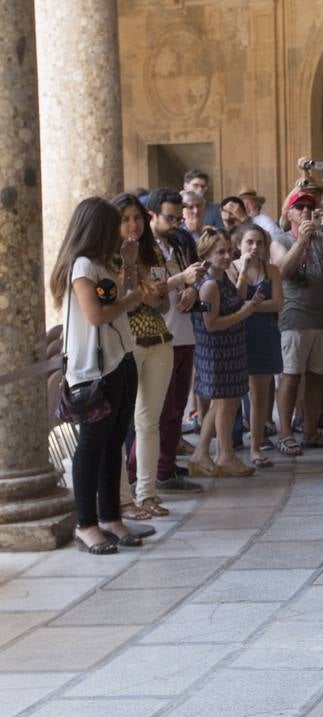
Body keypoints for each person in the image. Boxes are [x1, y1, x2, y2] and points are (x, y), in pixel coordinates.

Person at [50, 197, 150, 553]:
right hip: (93, 369)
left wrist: (131, 267)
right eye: (114, 227)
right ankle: (86, 523)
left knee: (113, 442)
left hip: (118, 359)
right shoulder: (81, 266)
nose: (119, 233)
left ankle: (110, 516)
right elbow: (96, 314)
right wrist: (129, 300)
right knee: (91, 446)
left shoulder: (101, 264)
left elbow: (117, 300)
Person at [273, 189, 323, 456]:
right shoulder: (280, 239)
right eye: (299, 207)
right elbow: (283, 270)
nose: (305, 211)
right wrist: (301, 241)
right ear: (289, 213)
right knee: (291, 376)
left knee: (318, 376)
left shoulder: (321, 236)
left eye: (309, 207)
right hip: (295, 317)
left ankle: (311, 431)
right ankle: (284, 433)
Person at [112, 192, 173, 519]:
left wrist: (148, 293)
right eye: (124, 219)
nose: (132, 225)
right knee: (123, 424)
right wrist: (133, 269)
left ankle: (147, 493)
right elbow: (127, 300)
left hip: (160, 340)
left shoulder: (154, 252)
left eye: (136, 218)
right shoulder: (108, 257)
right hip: (126, 344)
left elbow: (162, 303)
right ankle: (123, 500)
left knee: (149, 422)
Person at [145, 187, 205, 494]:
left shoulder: (177, 244)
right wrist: (182, 281)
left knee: (176, 409)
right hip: (159, 336)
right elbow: (154, 290)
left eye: (177, 218)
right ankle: (153, 472)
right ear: (151, 215)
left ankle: (166, 467)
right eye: (170, 217)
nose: (176, 224)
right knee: (158, 411)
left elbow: (188, 281)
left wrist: (192, 291)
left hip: (183, 333)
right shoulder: (144, 249)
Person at [188, 228, 259, 477]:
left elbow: (234, 300)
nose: (228, 256)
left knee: (223, 403)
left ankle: (201, 453)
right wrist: (245, 313)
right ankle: (225, 455)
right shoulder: (208, 285)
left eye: (230, 250)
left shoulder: (221, 277)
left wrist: (242, 279)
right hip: (217, 351)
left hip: (231, 347)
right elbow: (212, 324)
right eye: (221, 252)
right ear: (206, 254)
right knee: (225, 404)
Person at [230, 224, 283, 467]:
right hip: (238, 334)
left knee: (260, 395)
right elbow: (235, 299)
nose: (254, 247)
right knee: (232, 395)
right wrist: (244, 273)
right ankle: (227, 444)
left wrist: (249, 307)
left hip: (264, 333)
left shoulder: (271, 269)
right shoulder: (231, 268)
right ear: (239, 244)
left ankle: (256, 446)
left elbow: (277, 304)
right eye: (249, 242)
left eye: (259, 243)